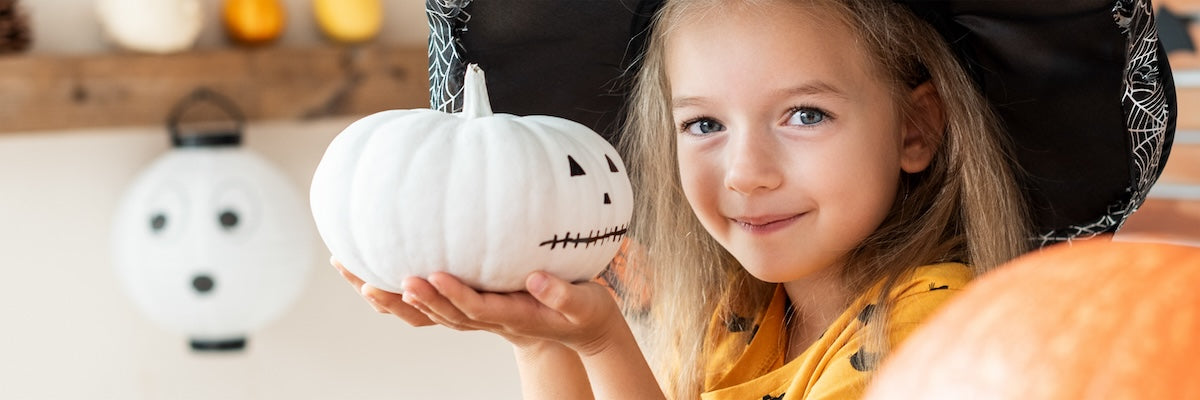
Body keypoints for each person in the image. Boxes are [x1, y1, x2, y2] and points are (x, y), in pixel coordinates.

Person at [333, 0, 1143, 398]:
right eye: (705, 123)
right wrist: (548, 340)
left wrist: (602, 345)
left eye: (804, 114)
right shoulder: (745, 314)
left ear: (916, 128)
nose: (746, 171)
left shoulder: (933, 332)